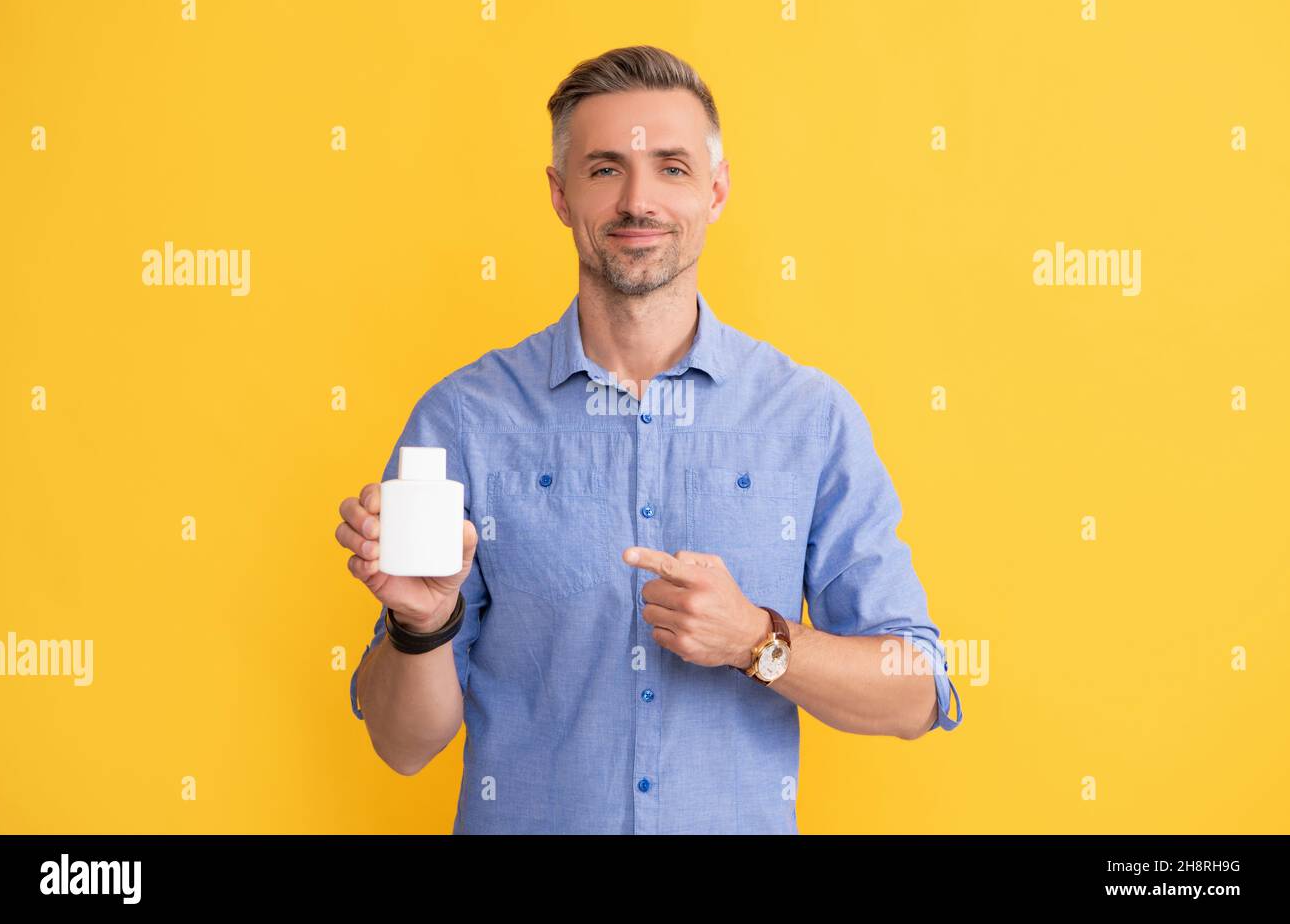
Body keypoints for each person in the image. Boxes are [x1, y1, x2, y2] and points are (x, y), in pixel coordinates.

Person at [334, 45, 961, 834]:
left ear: (716, 191)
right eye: (604, 169)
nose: (638, 200)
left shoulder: (810, 419)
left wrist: (756, 641)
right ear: (561, 196)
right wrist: (422, 627)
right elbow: (402, 744)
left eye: (671, 167)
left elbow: (917, 690)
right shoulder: (463, 420)